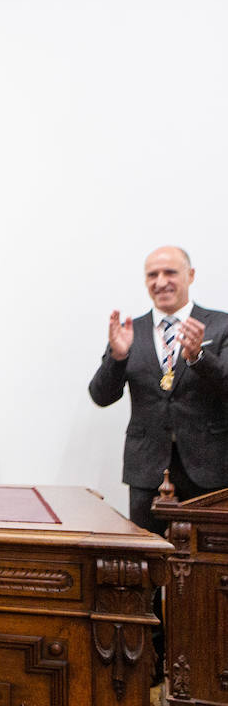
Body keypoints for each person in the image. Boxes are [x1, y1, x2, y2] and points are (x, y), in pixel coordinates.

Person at [89, 245, 228, 682]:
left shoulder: (219, 325)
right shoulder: (131, 330)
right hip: (149, 471)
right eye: (152, 274)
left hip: (208, 471)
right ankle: (152, 666)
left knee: (207, 577)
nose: (160, 281)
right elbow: (101, 394)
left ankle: (206, 668)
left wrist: (198, 358)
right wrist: (116, 357)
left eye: (170, 272)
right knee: (147, 574)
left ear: (190, 275)